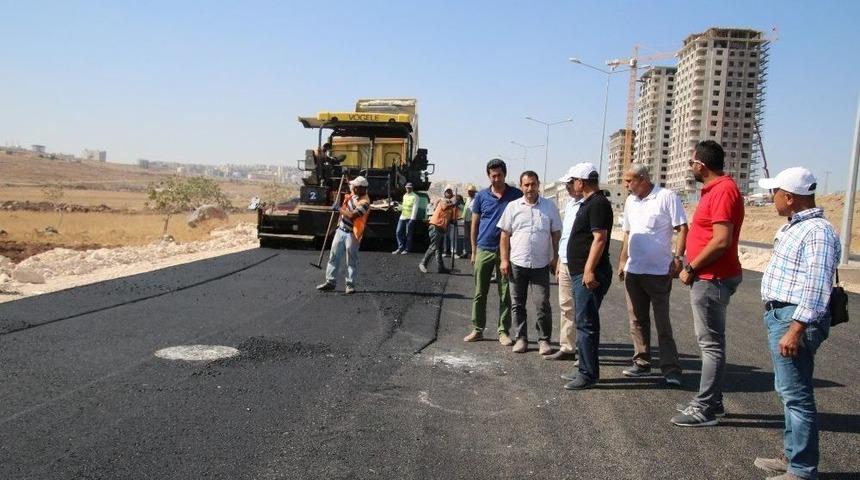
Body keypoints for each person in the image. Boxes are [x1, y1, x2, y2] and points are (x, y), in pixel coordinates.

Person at [753, 167, 839, 480]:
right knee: (789, 390)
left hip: (794, 319)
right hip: (783, 316)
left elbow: (817, 286)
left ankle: (802, 469)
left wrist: (796, 329)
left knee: (796, 394)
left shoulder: (817, 231)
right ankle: (792, 457)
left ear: (789, 197)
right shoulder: (796, 227)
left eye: (775, 192)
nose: (771, 197)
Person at [671, 140, 744, 427]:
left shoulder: (723, 190)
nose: (690, 167)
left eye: (691, 163)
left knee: (711, 344)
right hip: (709, 276)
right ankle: (714, 400)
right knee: (710, 342)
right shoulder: (715, 190)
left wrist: (692, 266)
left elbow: (722, 240)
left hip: (712, 278)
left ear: (701, 165)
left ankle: (705, 408)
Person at [617, 163, 688, 386]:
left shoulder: (666, 197)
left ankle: (671, 368)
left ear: (643, 179)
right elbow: (627, 232)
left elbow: (683, 228)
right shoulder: (630, 201)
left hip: (658, 272)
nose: (626, 185)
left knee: (662, 323)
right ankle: (642, 362)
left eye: (629, 181)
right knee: (636, 320)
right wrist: (622, 261)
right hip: (634, 271)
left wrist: (678, 258)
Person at [560, 163, 613, 390]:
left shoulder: (598, 203)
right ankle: (583, 367)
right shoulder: (588, 203)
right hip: (579, 272)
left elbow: (599, 239)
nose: (572, 185)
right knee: (583, 321)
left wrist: (589, 269)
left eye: (573, 181)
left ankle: (588, 374)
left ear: (581, 182)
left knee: (586, 323)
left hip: (588, 273)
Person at [498, 171, 562, 355]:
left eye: (533, 184)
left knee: (542, 304)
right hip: (517, 264)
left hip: (541, 264)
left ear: (538, 185)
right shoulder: (512, 207)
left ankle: (544, 340)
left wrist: (555, 258)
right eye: (526, 185)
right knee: (517, 304)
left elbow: (555, 234)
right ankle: (521, 338)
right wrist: (504, 260)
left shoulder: (549, 207)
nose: (530, 188)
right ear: (521, 186)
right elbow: (504, 235)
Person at [464, 159, 523, 345]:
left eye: (499, 175)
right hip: (484, 249)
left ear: (505, 174)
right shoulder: (481, 196)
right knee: (480, 292)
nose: (496, 179)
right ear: (488, 176)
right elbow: (474, 224)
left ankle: (503, 331)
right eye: (493, 176)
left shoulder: (516, 195)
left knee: (505, 293)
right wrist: (474, 251)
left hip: (507, 252)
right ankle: (477, 329)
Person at [544, 166, 584, 361]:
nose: (567, 187)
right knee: (566, 306)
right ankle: (567, 347)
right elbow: (565, 236)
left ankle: (584, 353)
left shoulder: (591, 204)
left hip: (581, 265)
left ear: (580, 182)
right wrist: (559, 261)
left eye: (570, 183)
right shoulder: (570, 205)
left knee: (583, 310)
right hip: (566, 262)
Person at [316, 176, 371, 294]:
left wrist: (338, 209)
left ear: (361, 188)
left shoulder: (365, 203)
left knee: (351, 261)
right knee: (333, 257)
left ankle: (350, 285)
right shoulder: (354, 193)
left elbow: (352, 215)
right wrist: (345, 179)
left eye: (355, 186)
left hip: (352, 235)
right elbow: (347, 186)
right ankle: (330, 282)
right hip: (341, 230)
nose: (352, 188)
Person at [419, 187, 457, 274]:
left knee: (439, 248)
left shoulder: (451, 206)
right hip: (436, 226)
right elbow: (444, 207)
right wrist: (453, 203)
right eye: (447, 192)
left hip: (442, 228)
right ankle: (423, 263)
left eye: (450, 192)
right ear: (444, 193)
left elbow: (449, 218)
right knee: (434, 246)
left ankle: (441, 267)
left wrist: (453, 221)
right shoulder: (443, 201)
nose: (449, 193)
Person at [393, 182, 418, 254]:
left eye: (409, 188)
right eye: (407, 188)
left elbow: (415, 209)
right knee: (398, 232)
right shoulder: (405, 196)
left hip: (410, 218)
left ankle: (407, 249)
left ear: (412, 188)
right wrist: (397, 207)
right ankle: (400, 248)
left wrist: (412, 219)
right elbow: (403, 207)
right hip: (403, 216)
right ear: (405, 188)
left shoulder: (415, 197)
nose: (408, 189)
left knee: (408, 234)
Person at [460, 185, 477, 258]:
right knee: (466, 237)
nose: (470, 193)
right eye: (469, 191)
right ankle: (466, 251)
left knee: (473, 236)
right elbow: (464, 208)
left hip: (473, 221)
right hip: (466, 220)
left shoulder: (476, 200)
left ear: (474, 192)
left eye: (471, 191)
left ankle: (473, 252)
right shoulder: (467, 199)